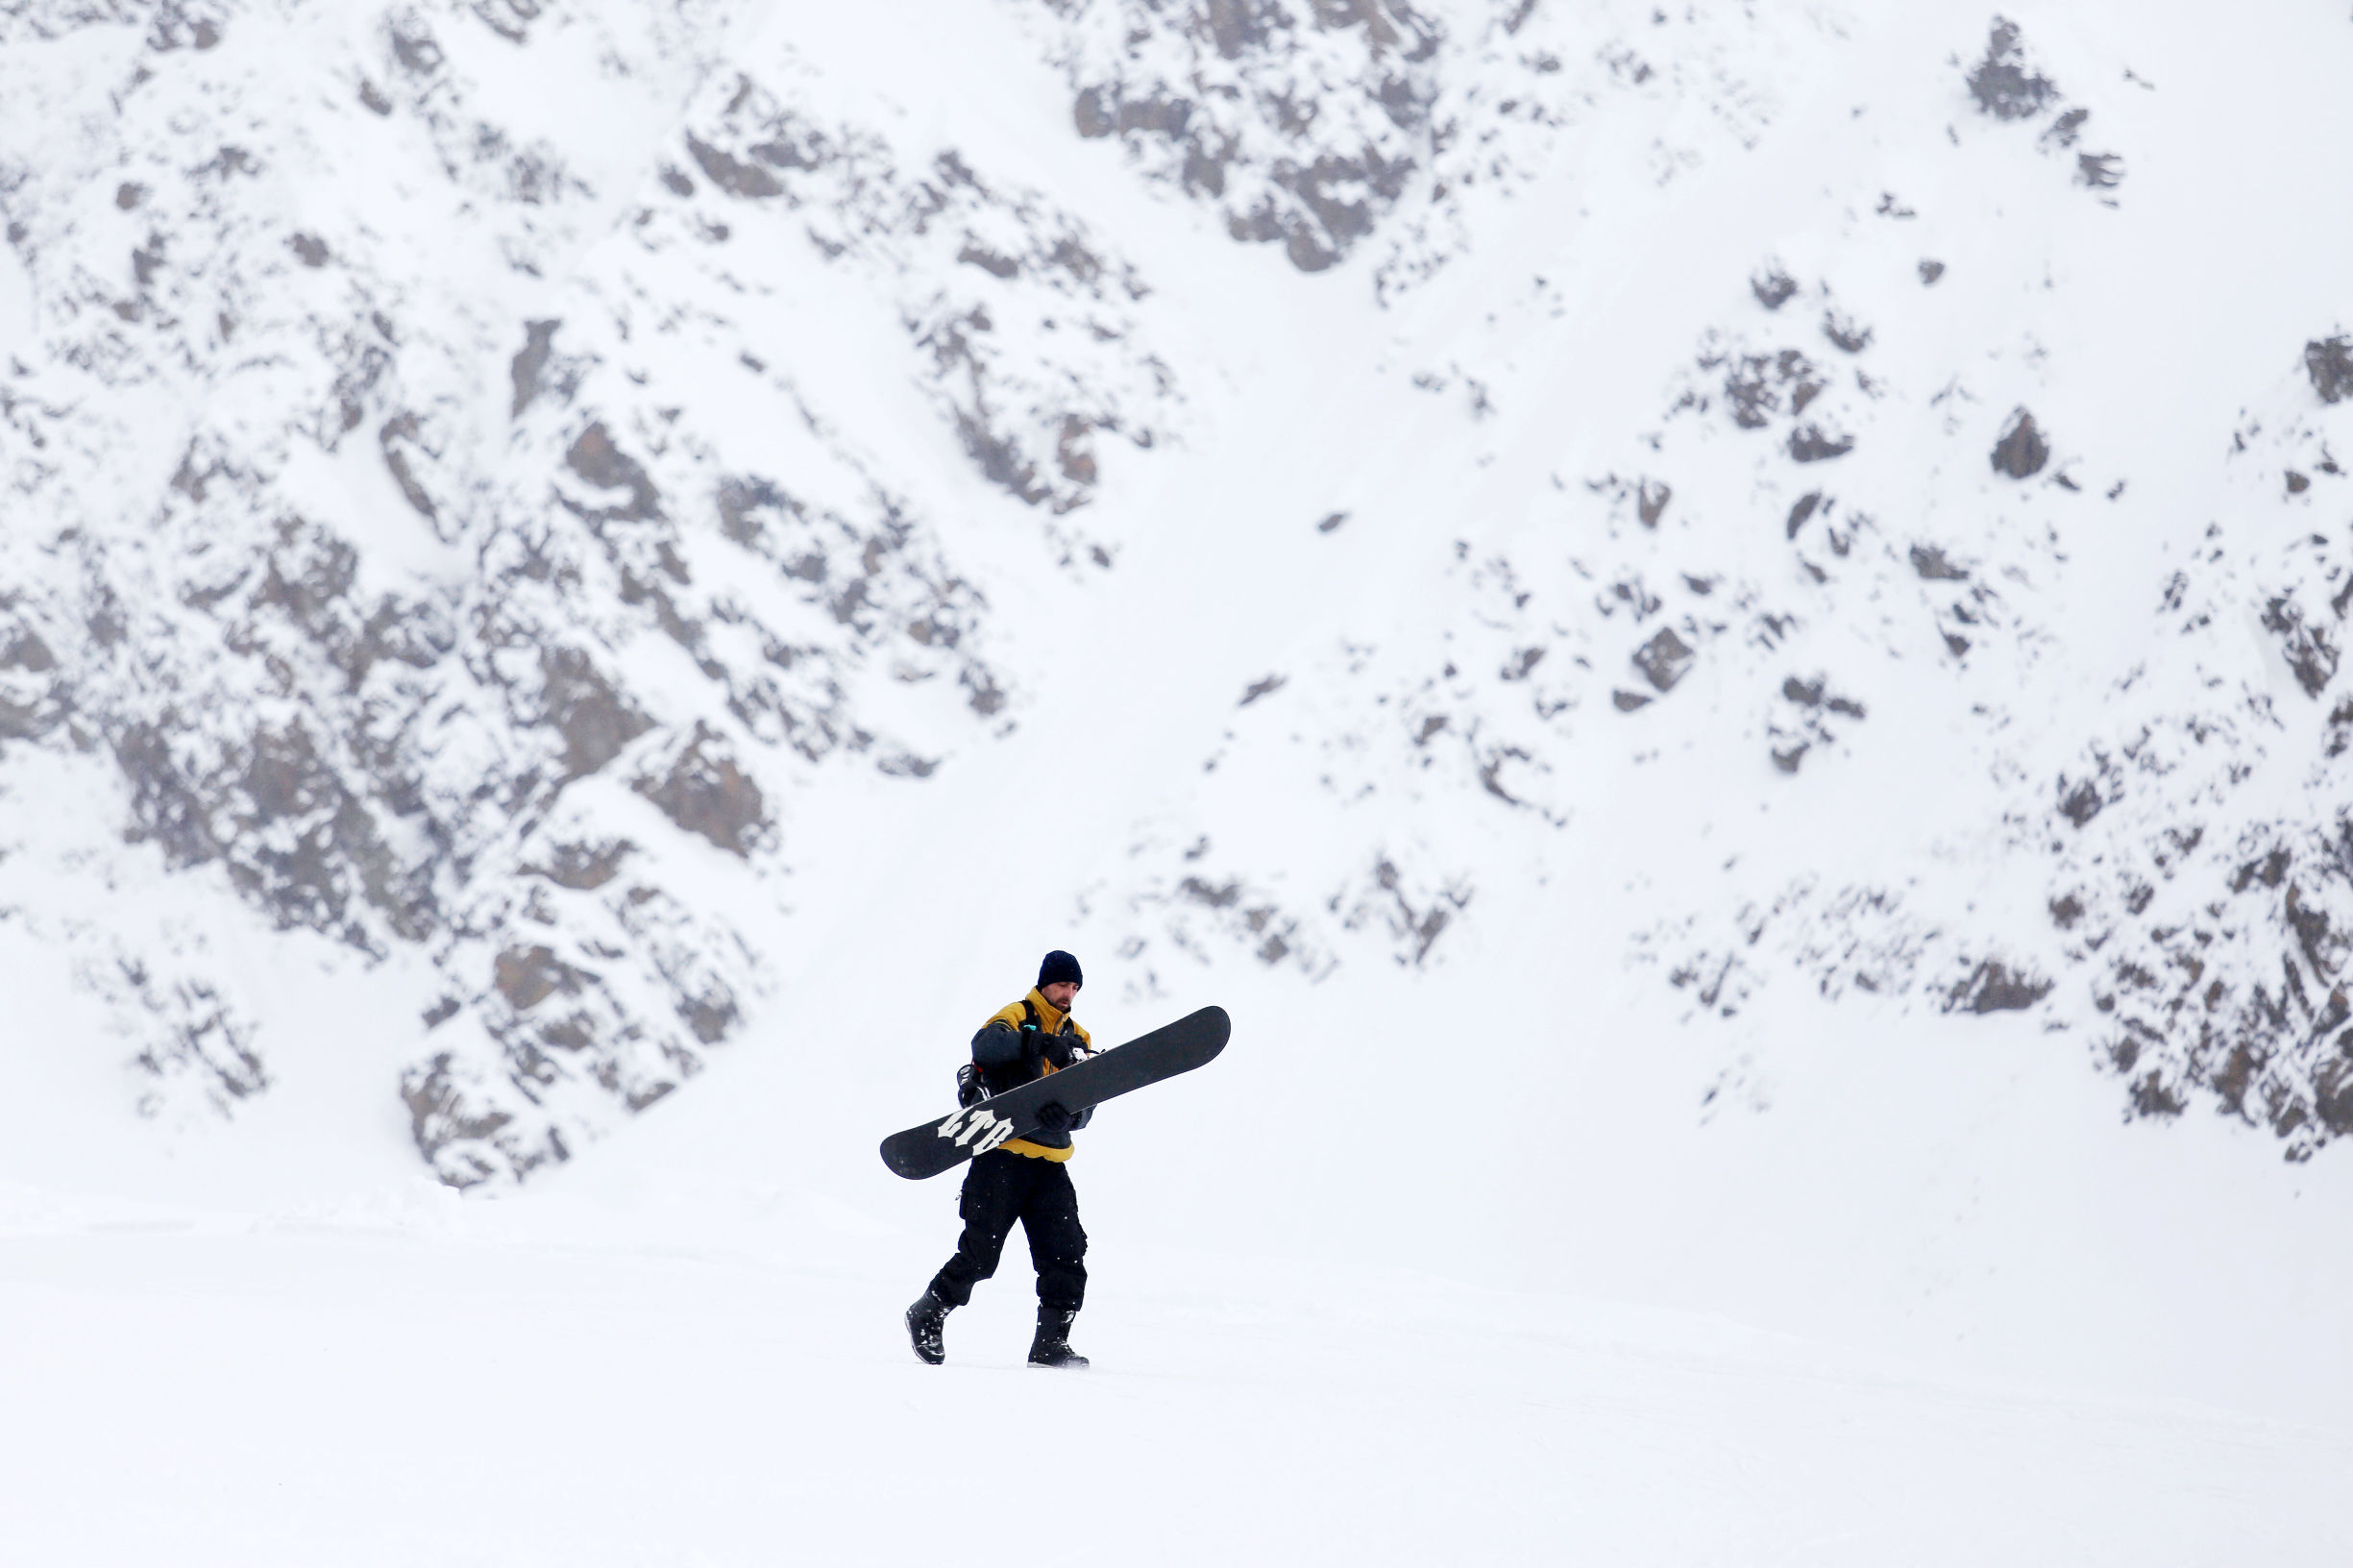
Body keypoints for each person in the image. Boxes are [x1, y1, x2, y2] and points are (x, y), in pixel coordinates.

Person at [905, 949, 1096, 1369]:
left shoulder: (1079, 1037)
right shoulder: (1017, 1013)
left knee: (1066, 1253)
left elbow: (1088, 1105)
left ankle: (1050, 1344)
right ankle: (928, 1312)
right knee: (981, 1254)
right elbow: (985, 1045)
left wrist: (1070, 1113)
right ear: (1045, 983)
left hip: (1050, 1161)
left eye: (1074, 987)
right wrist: (1036, 1041)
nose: (1068, 993)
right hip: (1002, 1156)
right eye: (1062, 985)